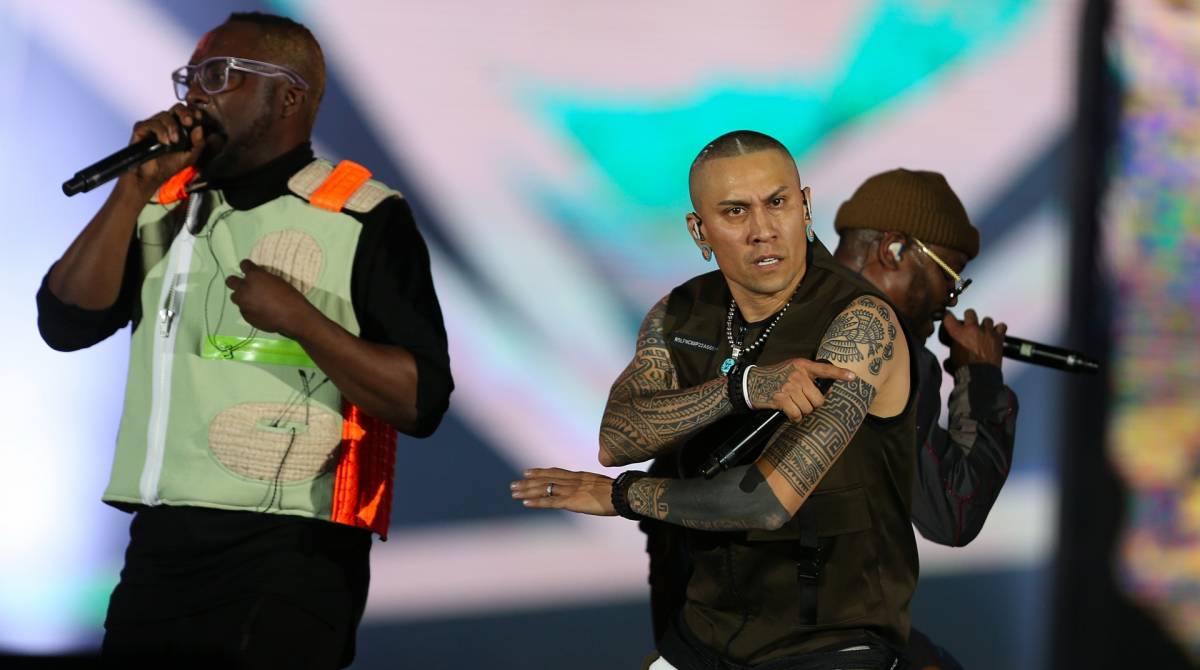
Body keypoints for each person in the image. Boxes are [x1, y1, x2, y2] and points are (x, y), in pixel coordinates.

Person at [36, 12, 452, 668]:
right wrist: (133, 187)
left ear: (288, 97)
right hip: (160, 547)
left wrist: (302, 320)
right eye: (189, 77)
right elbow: (64, 323)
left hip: (293, 553)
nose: (194, 96)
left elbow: (420, 400)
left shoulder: (364, 215)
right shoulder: (161, 204)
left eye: (219, 75)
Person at [513, 130, 920, 669]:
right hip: (707, 634)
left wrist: (621, 496)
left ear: (805, 207)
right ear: (699, 230)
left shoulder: (860, 324)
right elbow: (617, 439)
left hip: (831, 644)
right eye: (735, 212)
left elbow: (765, 502)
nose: (762, 230)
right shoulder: (679, 312)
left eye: (777, 202)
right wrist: (742, 388)